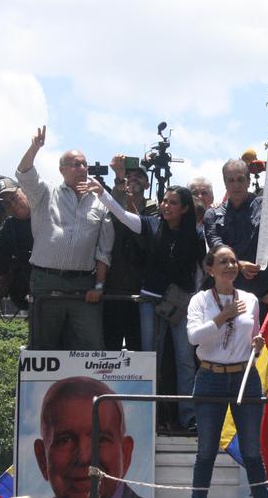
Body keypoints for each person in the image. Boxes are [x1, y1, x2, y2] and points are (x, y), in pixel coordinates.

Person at [85, 174, 206, 431]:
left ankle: (189, 417)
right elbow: (121, 215)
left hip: (180, 304)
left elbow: (202, 270)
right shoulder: (151, 225)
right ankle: (153, 417)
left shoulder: (196, 235)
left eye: (173, 202)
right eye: (164, 200)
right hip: (149, 301)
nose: (166, 205)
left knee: (185, 359)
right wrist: (102, 193)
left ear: (185, 209)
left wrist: (189, 296)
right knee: (151, 357)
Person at [179, 245, 268, 498]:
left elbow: (254, 334)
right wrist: (221, 317)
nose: (230, 266)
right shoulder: (199, 299)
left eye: (233, 261)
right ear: (210, 269)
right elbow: (194, 337)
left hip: (244, 376)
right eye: (223, 261)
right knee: (206, 450)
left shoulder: (249, 299)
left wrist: (257, 342)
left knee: (252, 450)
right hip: (210, 376)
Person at [15, 126, 114, 350]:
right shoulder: (45, 193)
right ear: (62, 170)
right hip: (46, 281)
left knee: (92, 346)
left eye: (84, 164)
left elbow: (104, 251)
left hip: (83, 284)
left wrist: (99, 285)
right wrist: (35, 147)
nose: (82, 168)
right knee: (44, 347)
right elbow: (23, 173)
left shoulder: (100, 202)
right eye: (75, 164)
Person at [33, 377, 152, 498]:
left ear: (125, 454)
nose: (84, 457)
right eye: (65, 440)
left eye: (100, 439)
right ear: (42, 459)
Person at [204, 138, 268, 309]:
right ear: (224, 183)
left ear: (248, 181)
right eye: (231, 180)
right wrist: (238, 264)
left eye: (240, 179)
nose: (236, 185)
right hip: (225, 294)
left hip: (261, 295)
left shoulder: (263, 205)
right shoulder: (212, 215)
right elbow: (216, 247)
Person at [103, 155, 158, 351]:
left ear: (147, 182)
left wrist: (129, 204)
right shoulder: (111, 198)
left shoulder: (155, 208)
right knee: (110, 346)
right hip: (113, 286)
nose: (133, 178)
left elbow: (146, 235)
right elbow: (113, 214)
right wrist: (120, 186)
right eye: (129, 175)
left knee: (139, 347)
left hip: (141, 288)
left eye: (139, 175)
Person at [0, 177, 33, 328]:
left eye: (14, 198)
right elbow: (5, 269)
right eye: (7, 204)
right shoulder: (10, 228)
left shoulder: (45, 214)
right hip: (33, 297)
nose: (13, 205)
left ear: (25, 192)